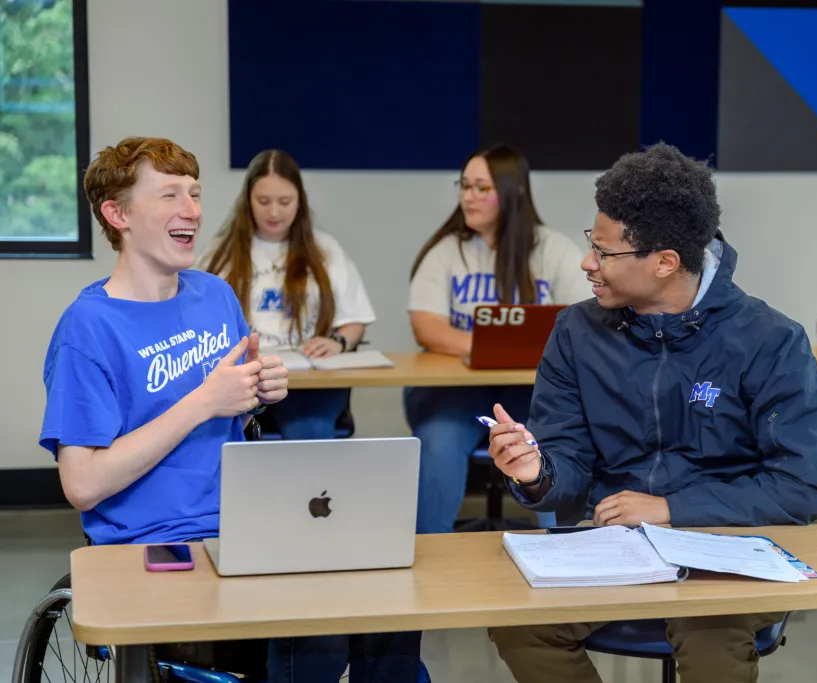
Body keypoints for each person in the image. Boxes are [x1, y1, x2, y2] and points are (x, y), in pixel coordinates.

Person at [39, 137, 420, 683]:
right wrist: (203, 402)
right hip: (156, 543)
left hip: (248, 525)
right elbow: (82, 484)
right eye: (169, 195)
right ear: (118, 215)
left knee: (393, 603)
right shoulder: (88, 328)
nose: (191, 210)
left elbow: (231, 415)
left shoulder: (214, 295)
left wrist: (256, 391)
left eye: (194, 194)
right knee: (317, 628)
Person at [482, 142, 817, 683]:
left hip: (730, 545)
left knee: (710, 639)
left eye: (604, 252)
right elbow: (567, 465)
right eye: (591, 243)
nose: (587, 263)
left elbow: (807, 484)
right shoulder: (576, 332)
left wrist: (672, 508)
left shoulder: (771, 340)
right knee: (520, 626)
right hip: (615, 544)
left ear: (665, 262)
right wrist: (537, 473)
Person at [405, 144, 592, 534]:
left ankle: (564, 547)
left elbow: (585, 320)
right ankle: (430, 551)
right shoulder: (447, 251)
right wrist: (489, 349)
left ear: (513, 192)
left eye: (481, 188)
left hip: (534, 392)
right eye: (464, 186)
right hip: (454, 392)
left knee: (549, 442)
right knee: (439, 441)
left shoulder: (552, 249)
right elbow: (426, 325)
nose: (468, 197)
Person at [204, 149, 376, 440]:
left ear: (299, 202)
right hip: (246, 378)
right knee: (220, 429)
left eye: (284, 202)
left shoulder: (325, 250)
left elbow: (355, 320)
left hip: (308, 382)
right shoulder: (220, 254)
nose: (274, 212)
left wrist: (337, 342)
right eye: (263, 201)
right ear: (247, 201)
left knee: (309, 428)